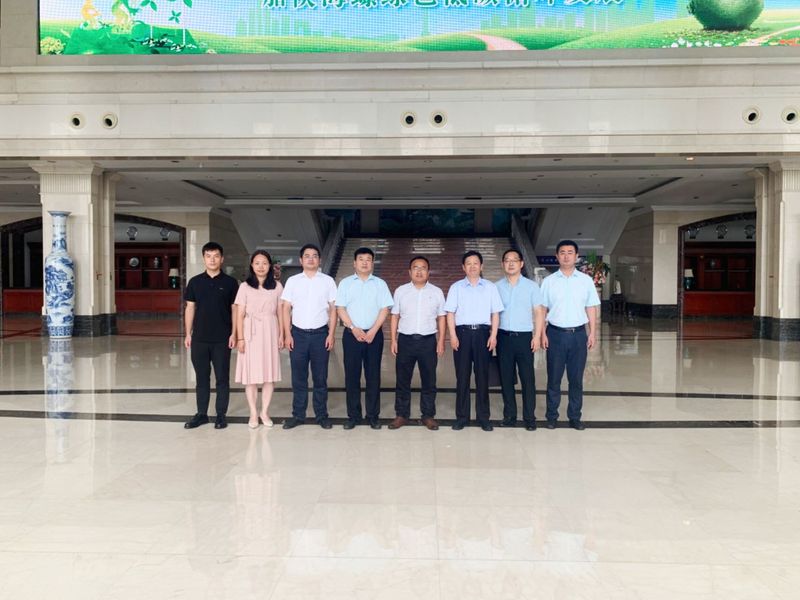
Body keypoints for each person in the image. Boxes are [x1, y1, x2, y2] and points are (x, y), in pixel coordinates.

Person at [535, 240, 600, 431]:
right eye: (562, 252)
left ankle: (575, 416)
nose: (566, 256)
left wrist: (592, 332)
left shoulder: (586, 281)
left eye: (570, 252)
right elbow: (542, 309)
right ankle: (551, 416)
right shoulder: (549, 281)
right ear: (557, 256)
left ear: (576, 256)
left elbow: (591, 307)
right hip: (555, 334)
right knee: (554, 379)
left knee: (576, 379)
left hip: (578, 335)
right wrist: (542, 333)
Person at [445, 250, 504, 431]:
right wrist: (453, 335)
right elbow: (450, 313)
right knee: (462, 377)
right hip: (462, 334)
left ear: (481, 266)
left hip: (483, 335)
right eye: (468, 263)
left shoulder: (490, 287)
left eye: (475, 263)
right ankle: (462, 417)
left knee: (482, 377)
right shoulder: (456, 287)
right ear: (463, 267)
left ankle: (483, 417)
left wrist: (493, 335)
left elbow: (495, 313)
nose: (472, 266)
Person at [280, 243, 337, 430]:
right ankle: (298, 415)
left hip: (320, 335)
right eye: (307, 256)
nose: (311, 259)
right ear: (300, 260)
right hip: (298, 335)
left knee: (320, 378)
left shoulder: (328, 281)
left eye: (314, 256)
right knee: (299, 378)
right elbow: (285, 308)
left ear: (319, 260)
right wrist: (287, 334)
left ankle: (321, 415)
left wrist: (331, 334)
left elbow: (333, 309)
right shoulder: (292, 281)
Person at [336, 247, 393, 430]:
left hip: (374, 336)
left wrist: (373, 330)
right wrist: (353, 328)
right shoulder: (345, 283)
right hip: (352, 335)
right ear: (354, 263)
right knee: (352, 376)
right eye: (361, 259)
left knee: (373, 376)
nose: (365, 262)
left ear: (372, 263)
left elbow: (385, 308)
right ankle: (353, 416)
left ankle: (373, 415)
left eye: (368, 259)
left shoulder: (380, 284)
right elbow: (340, 308)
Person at [183, 242, 239, 430]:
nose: (212, 260)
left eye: (216, 256)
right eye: (208, 256)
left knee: (222, 378)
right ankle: (201, 414)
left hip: (222, 339)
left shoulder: (230, 283)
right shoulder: (195, 282)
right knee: (202, 378)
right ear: (203, 258)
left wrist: (234, 333)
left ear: (222, 259)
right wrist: (187, 334)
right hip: (199, 338)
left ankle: (221, 415)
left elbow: (235, 310)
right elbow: (190, 308)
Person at [388, 256, 446, 431]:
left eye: (423, 268)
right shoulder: (401, 291)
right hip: (405, 340)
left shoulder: (437, 292)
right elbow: (395, 316)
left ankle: (428, 415)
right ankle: (401, 415)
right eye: (415, 267)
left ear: (428, 272)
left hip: (428, 341)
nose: (419, 271)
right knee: (402, 380)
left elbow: (441, 318)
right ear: (409, 271)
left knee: (429, 380)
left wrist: (441, 341)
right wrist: (393, 339)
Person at [234, 250, 284, 429]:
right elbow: (239, 314)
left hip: (270, 330)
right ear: (252, 266)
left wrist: (282, 334)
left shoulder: (277, 286)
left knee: (269, 374)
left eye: (264, 263)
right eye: (257, 263)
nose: (261, 266)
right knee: (251, 376)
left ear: (270, 265)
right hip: (250, 332)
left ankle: (265, 411)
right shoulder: (244, 286)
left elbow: (281, 312)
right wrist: (240, 338)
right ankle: (253, 413)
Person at [495, 249, 542, 431]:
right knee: (506, 378)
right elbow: (493, 314)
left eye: (514, 260)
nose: (511, 263)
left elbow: (538, 312)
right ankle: (510, 415)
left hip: (524, 338)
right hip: (503, 337)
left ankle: (530, 417)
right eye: (507, 260)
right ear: (502, 264)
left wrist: (537, 336)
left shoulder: (531, 286)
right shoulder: (496, 286)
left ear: (521, 264)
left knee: (527, 378)